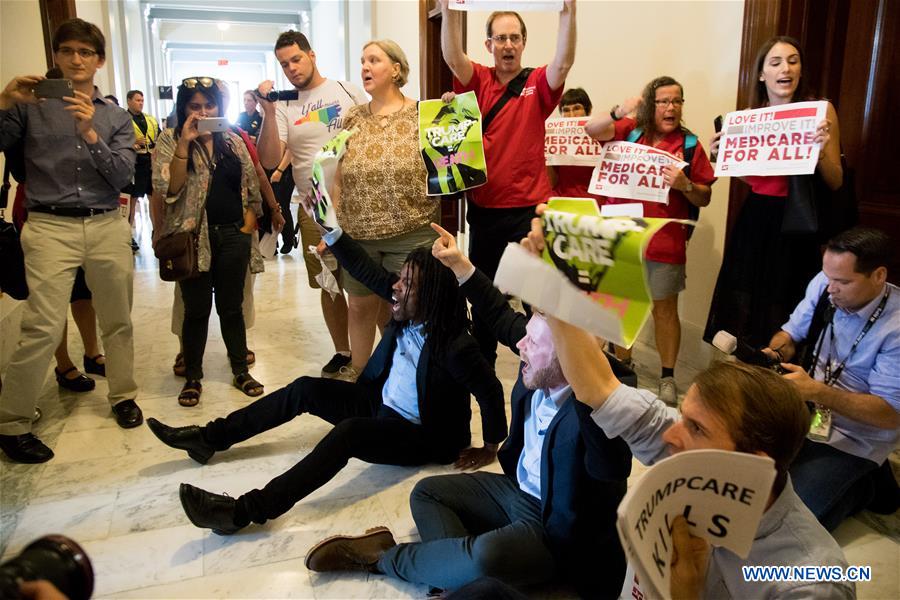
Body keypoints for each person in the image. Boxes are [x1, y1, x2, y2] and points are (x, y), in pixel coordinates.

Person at [513, 212, 853, 599]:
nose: (670, 435)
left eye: (696, 429)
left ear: (751, 466)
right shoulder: (691, 460)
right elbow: (597, 386)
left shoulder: (806, 584)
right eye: (685, 417)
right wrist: (554, 289)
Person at [303, 223, 633, 598]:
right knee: (427, 493)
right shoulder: (542, 358)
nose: (520, 346)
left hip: (556, 532)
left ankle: (384, 558)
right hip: (517, 493)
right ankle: (452, 578)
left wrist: (592, 376)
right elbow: (498, 314)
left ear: (575, 352)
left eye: (536, 337)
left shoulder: (607, 406)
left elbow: (610, 463)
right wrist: (460, 266)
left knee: (484, 556)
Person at [145, 222, 507, 535]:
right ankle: (210, 438)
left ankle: (244, 512)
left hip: (420, 434)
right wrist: (333, 234)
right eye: (400, 278)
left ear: (431, 296)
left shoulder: (457, 346)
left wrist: (490, 446)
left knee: (348, 434)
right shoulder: (410, 306)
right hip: (379, 403)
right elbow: (367, 271)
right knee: (303, 389)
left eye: (407, 284)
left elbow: (490, 390)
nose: (396, 287)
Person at [0, 18, 143, 464]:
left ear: (99, 61)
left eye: (85, 52)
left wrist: (90, 132)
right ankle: (10, 423)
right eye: (68, 51)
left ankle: (122, 396)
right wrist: (4, 101)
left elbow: (124, 176)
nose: (76, 60)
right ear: (56, 57)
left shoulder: (116, 117)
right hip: (48, 225)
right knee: (40, 326)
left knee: (117, 319)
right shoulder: (29, 107)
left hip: (105, 223)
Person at [439, 0, 576, 366]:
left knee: (538, 300)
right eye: (500, 38)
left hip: (529, 212)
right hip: (484, 212)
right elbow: (453, 56)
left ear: (524, 43)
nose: (508, 45)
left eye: (515, 38)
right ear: (489, 45)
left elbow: (562, 63)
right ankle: (484, 363)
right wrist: (449, 9)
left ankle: (544, 366)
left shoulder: (536, 83)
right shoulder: (478, 80)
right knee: (485, 295)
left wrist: (568, 11)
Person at [704, 35, 843, 349]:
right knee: (747, 298)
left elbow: (835, 181)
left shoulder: (820, 111)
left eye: (793, 61)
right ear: (761, 74)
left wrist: (820, 151)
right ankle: (750, 371)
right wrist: (721, 156)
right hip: (756, 217)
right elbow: (754, 179)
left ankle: (783, 373)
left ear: (801, 70)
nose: (786, 68)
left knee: (790, 299)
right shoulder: (750, 117)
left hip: (797, 219)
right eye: (776, 62)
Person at [585, 76, 716, 405]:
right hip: (624, 239)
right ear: (650, 105)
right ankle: (623, 365)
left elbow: (704, 197)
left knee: (665, 311)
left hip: (665, 243)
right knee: (620, 307)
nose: (671, 108)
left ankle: (668, 377)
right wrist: (621, 109)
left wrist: (686, 185)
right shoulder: (629, 130)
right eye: (663, 102)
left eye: (677, 101)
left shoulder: (690, 144)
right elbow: (592, 129)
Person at [762, 227, 899, 531]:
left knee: (791, 522)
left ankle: (868, 486)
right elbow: (790, 334)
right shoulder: (825, 283)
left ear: (878, 276)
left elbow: (891, 414)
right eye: (828, 278)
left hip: (856, 437)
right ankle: (872, 481)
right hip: (806, 415)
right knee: (745, 478)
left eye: (843, 282)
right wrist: (775, 352)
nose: (830, 289)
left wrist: (817, 392)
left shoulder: (896, 326)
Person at [324, 39, 441, 381]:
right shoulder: (352, 118)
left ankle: (411, 378)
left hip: (412, 230)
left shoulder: (423, 114)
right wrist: (332, 224)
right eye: (362, 61)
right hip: (358, 235)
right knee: (359, 306)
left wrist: (452, 112)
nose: (365, 67)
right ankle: (359, 377)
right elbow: (339, 175)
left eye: (374, 60)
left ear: (396, 69)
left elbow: (450, 166)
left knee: (409, 310)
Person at [255, 30, 365, 378]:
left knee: (370, 282)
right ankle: (343, 351)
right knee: (329, 284)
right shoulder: (284, 104)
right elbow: (270, 157)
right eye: (284, 64)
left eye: (296, 59)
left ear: (312, 55)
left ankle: (386, 351)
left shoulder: (347, 90)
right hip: (313, 209)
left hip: (359, 204)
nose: (291, 68)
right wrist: (268, 112)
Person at [152, 77, 264, 407]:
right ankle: (193, 378)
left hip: (232, 235)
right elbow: (167, 189)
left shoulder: (232, 140)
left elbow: (251, 183)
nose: (203, 112)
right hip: (192, 238)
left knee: (232, 308)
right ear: (184, 109)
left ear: (219, 107)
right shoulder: (169, 141)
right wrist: (186, 144)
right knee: (196, 310)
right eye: (195, 106)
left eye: (209, 105)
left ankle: (241, 370)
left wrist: (247, 224)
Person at [546, 87, 603, 203]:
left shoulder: (602, 134)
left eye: (577, 108)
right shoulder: (555, 139)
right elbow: (551, 182)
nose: (571, 115)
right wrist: (547, 154)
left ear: (588, 110)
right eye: (566, 110)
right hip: (561, 198)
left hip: (593, 201)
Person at [125, 89, 159, 252]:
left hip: (150, 162)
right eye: (137, 100)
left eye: (142, 100)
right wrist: (132, 143)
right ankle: (127, 235)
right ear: (129, 101)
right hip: (134, 164)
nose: (140, 103)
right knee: (132, 200)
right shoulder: (123, 120)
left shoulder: (150, 119)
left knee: (154, 199)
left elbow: (159, 137)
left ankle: (156, 231)